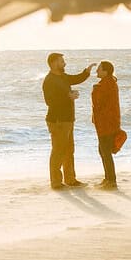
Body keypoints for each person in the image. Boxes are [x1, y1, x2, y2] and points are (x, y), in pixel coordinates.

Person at [42, 53, 96, 190]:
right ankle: (56, 182)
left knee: (69, 150)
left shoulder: (63, 77)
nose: (64, 64)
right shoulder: (49, 80)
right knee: (58, 151)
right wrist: (69, 97)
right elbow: (50, 102)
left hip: (68, 119)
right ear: (54, 63)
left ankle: (70, 180)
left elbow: (76, 78)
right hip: (57, 121)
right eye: (62, 61)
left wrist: (86, 72)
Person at [91, 60, 121, 190]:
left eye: (99, 69)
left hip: (107, 123)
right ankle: (108, 178)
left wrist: (95, 89)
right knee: (103, 151)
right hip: (106, 122)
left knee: (105, 152)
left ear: (106, 71)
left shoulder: (107, 83)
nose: (96, 71)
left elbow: (99, 102)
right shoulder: (108, 82)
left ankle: (111, 180)